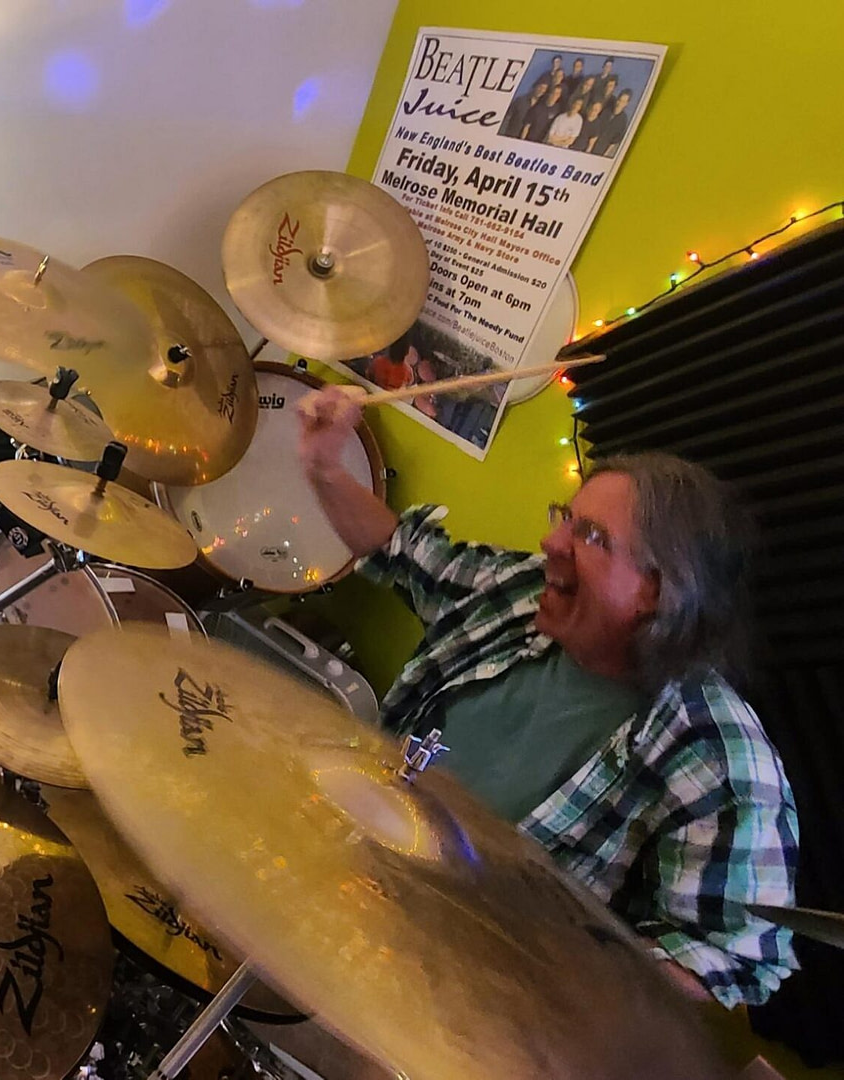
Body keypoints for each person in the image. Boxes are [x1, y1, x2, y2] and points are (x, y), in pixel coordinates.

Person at [297, 387, 799, 1008]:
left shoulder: (719, 759)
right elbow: (396, 549)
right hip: (344, 880)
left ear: (654, 592)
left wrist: (545, 955)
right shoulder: (522, 594)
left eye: (590, 535)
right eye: (566, 516)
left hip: (450, 996)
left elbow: (736, 960)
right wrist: (323, 465)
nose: (551, 542)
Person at [595, 90, 635, 157]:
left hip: (601, 151)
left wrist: (605, 155)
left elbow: (615, 141)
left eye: (623, 102)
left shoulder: (623, 120)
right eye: (619, 100)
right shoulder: (606, 111)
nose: (619, 103)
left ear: (626, 104)